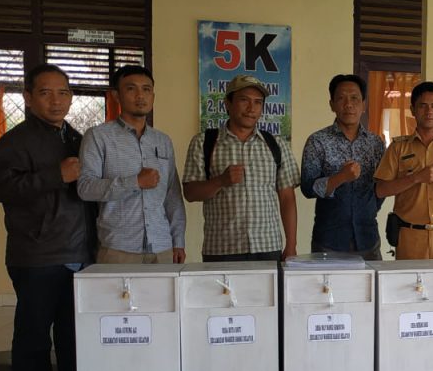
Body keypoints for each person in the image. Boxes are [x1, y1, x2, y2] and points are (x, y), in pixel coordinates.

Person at [0, 64, 94, 371]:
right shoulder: (15, 142)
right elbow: (1, 188)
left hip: (79, 252)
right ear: (29, 98)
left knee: (73, 330)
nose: (56, 100)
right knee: (34, 333)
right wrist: (55, 176)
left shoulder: (77, 138)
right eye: (46, 93)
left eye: (63, 93)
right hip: (37, 254)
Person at [183, 74, 299, 262]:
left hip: (267, 247)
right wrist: (220, 181)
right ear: (227, 104)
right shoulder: (204, 142)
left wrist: (291, 245)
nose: (251, 108)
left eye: (258, 102)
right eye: (244, 100)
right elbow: (190, 193)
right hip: (221, 248)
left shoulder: (276, 144)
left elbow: (287, 198)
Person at [78, 65, 186, 264]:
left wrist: (178, 241)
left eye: (146, 89)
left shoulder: (163, 141)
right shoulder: (98, 136)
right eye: (131, 88)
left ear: (153, 96)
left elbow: (173, 195)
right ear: (116, 96)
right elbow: (85, 188)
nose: (140, 96)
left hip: (162, 247)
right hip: (118, 248)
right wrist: (134, 182)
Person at [373, 81, 433, 259]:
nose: (429, 111)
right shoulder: (398, 148)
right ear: (412, 110)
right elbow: (381, 190)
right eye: (423, 106)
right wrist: (415, 178)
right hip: (409, 237)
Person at [301, 74, 385, 260]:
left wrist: (368, 209)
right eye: (341, 98)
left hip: (367, 238)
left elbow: (381, 187)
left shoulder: (375, 143)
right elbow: (307, 188)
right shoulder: (317, 141)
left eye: (355, 98)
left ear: (364, 104)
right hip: (329, 240)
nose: (348, 104)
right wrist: (340, 178)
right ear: (332, 104)